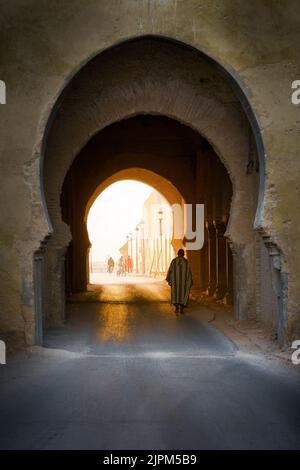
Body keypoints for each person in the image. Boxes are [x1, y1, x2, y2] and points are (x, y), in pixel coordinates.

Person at [166, 248, 193, 315]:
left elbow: (170, 271)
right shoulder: (186, 262)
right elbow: (189, 273)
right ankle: (181, 308)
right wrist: (190, 282)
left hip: (175, 283)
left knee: (175, 294)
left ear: (178, 254)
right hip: (184, 284)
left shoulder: (174, 261)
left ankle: (176, 308)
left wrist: (169, 279)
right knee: (183, 294)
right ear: (183, 254)